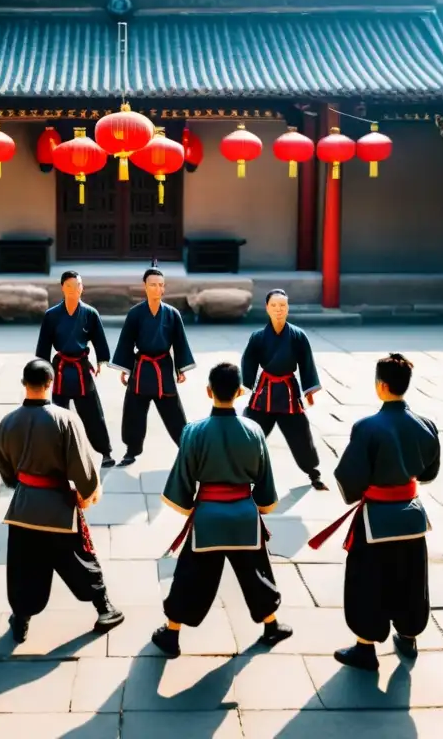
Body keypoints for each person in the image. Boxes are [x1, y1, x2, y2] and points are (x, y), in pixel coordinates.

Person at [308, 354, 440, 672]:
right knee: (411, 578)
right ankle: (408, 636)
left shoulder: (367, 427)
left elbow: (349, 477)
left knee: (367, 581)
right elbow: (429, 473)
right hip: (411, 516)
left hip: (376, 519)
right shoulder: (426, 424)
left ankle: (365, 647)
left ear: (381, 386)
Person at [151, 362, 293, 658]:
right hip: (244, 515)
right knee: (256, 572)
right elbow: (264, 482)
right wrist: (262, 504)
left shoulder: (194, 432)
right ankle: (271, 626)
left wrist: (190, 504)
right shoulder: (254, 430)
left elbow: (183, 480)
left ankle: (172, 633)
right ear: (240, 392)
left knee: (190, 576)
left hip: (208, 519)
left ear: (208, 391)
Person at [0, 359, 125, 643]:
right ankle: (103, 608)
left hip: (22, 508)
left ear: (23, 383)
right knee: (78, 559)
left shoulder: (7, 422)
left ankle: (21, 620)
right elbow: (84, 468)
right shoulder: (64, 419)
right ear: (51, 383)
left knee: (22, 567)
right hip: (58, 506)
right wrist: (87, 489)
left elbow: (6, 472)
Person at [110, 263, 196, 466]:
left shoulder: (172, 314)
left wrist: (181, 368)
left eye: (161, 285)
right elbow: (126, 342)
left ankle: (187, 448)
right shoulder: (135, 313)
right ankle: (131, 450)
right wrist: (125, 369)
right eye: (153, 284)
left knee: (174, 412)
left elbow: (180, 342)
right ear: (145, 287)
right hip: (142, 367)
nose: (158, 288)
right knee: (133, 412)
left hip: (163, 368)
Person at [241, 289, 327, 490]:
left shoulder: (298, 336)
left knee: (301, 434)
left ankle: (313, 473)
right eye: (274, 306)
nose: (279, 310)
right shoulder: (258, 337)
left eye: (283, 306)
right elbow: (249, 363)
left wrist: (309, 390)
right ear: (267, 308)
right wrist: (244, 386)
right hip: (265, 391)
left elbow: (307, 364)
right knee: (250, 432)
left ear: (287, 308)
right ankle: (242, 473)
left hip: (289, 392)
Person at [35, 270, 116, 467]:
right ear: (62, 288)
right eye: (68, 286)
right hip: (60, 370)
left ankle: (105, 451)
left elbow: (99, 341)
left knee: (93, 413)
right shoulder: (51, 315)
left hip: (81, 369)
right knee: (58, 415)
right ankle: (59, 455)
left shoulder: (90, 313)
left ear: (82, 288)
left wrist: (101, 361)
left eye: (77, 285)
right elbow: (44, 347)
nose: (73, 290)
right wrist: (43, 373)